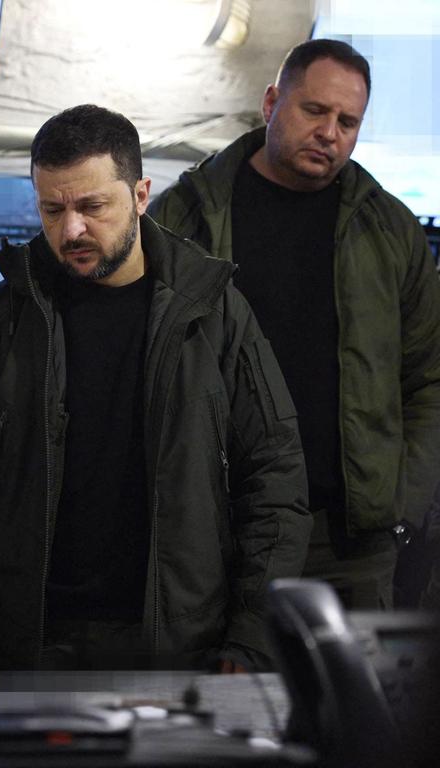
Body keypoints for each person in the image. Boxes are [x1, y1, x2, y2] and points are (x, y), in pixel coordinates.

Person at [0, 105, 311, 682]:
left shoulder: (213, 314)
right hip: (29, 646)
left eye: (92, 207)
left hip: (179, 646)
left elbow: (275, 482)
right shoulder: (2, 320)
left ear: (141, 194)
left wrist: (250, 640)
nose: (71, 230)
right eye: (53, 209)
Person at [150, 39, 440, 610]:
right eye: (315, 111)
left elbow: (429, 378)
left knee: (345, 700)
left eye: (347, 121)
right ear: (271, 103)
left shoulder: (390, 231)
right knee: (217, 700)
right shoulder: (185, 218)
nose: (330, 132)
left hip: (350, 542)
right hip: (215, 535)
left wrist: (402, 507)